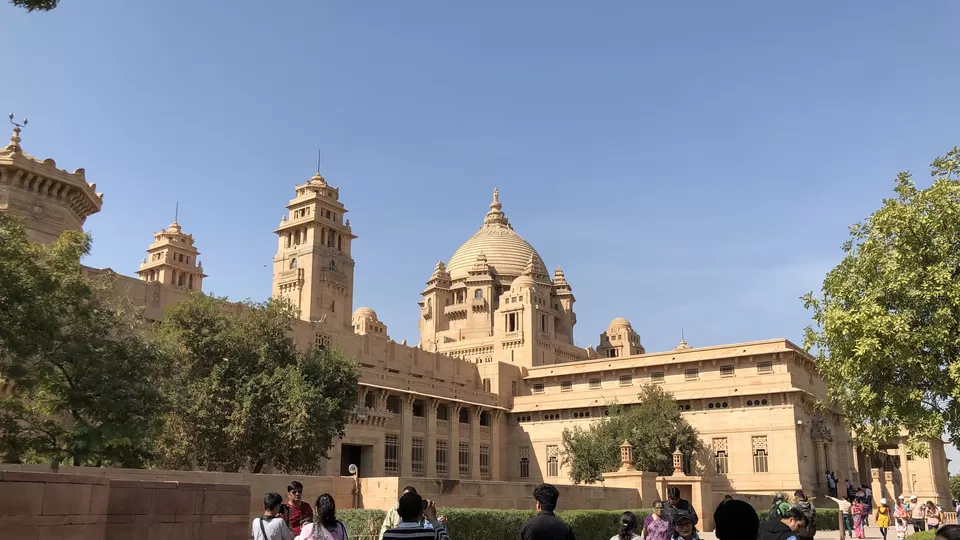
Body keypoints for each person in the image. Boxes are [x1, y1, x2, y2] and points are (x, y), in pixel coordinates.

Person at [381, 491, 451, 540]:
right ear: (421, 512)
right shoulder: (430, 534)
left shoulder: (388, 535)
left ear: (399, 512)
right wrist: (433, 519)